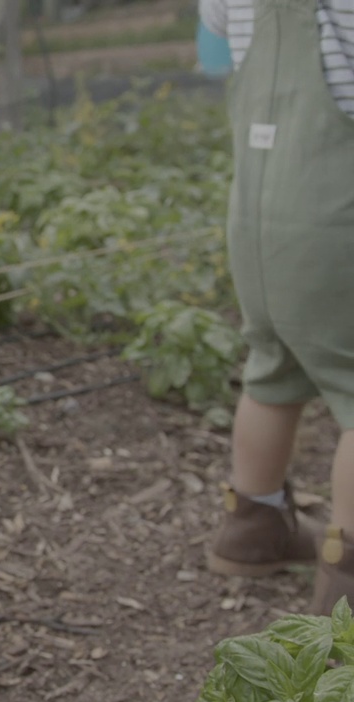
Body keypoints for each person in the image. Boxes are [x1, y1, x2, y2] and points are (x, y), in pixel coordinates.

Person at [199, 0, 354, 615]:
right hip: (335, 214)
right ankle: (346, 586)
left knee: (272, 366)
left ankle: (253, 528)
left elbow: (213, 45)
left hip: (259, 217)